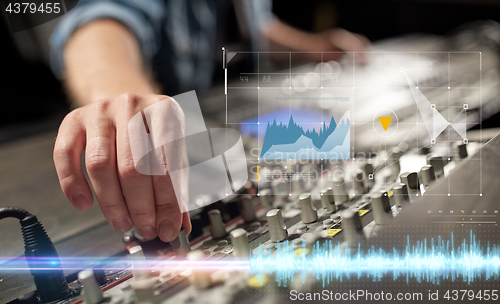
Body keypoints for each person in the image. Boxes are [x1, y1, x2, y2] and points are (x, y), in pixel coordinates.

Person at [50, 0, 369, 243]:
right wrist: (120, 97)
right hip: (174, 160)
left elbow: (255, 25)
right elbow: (101, 23)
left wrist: (316, 48)